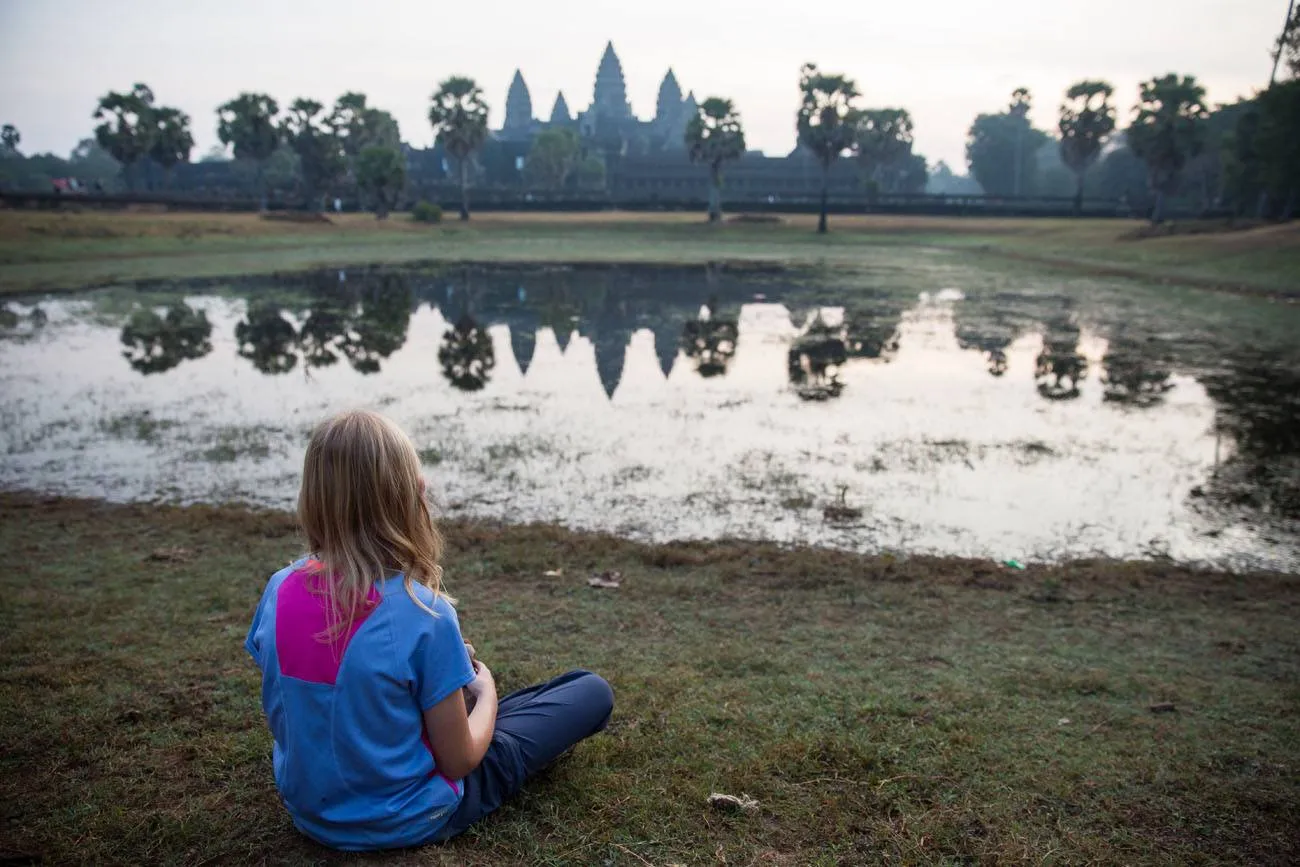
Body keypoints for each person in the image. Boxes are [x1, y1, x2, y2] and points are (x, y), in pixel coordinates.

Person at [245, 409, 614, 851]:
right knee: (589, 691)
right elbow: (457, 762)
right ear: (409, 498)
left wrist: (434, 674)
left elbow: (321, 699)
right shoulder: (425, 615)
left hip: (311, 813)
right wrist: (487, 689)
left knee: (495, 697)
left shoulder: (279, 589)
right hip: (410, 816)